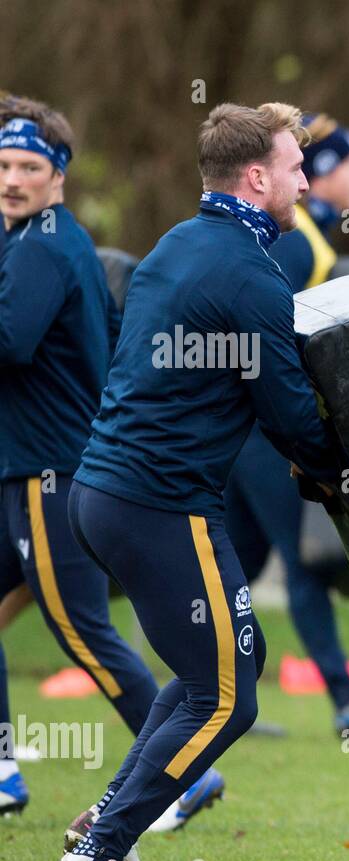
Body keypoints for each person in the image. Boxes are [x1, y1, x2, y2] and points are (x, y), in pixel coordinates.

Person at [45, 102, 344, 861]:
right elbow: (289, 413)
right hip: (162, 505)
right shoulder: (250, 274)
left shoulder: (177, 246)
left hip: (101, 492)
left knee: (197, 678)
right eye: (293, 167)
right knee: (228, 697)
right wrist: (345, 466)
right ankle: (95, 857)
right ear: (257, 178)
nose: (305, 180)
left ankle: (104, 836)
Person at [221, 110, 349, 745]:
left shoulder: (305, 229)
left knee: (243, 560)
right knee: (300, 563)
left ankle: (212, 695)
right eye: (348, 160)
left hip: (251, 422)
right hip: (260, 428)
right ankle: (343, 697)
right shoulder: (298, 236)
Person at [0, 97, 158, 817]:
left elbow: (11, 342)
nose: (12, 178)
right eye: (3, 164)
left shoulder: (39, 245)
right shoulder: (58, 238)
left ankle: (182, 772)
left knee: (83, 631)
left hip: (49, 471)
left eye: (29, 166)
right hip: (34, 466)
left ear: (58, 174)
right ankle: (4, 769)